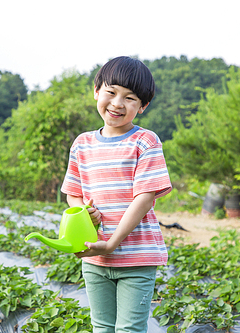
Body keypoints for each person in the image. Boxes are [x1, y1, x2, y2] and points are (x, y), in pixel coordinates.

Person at [61, 56, 172, 332]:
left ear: (143, 106)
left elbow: (145, 197)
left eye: (130, 98)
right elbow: (73, 194)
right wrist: (86, 215)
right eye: (111, 92)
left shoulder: (145, 141)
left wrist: (112, 242)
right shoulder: (82, 144)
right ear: (96, 90)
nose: (117, 103)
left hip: (137, 257)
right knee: (101, 327)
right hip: (95, 257)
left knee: (129, 329)